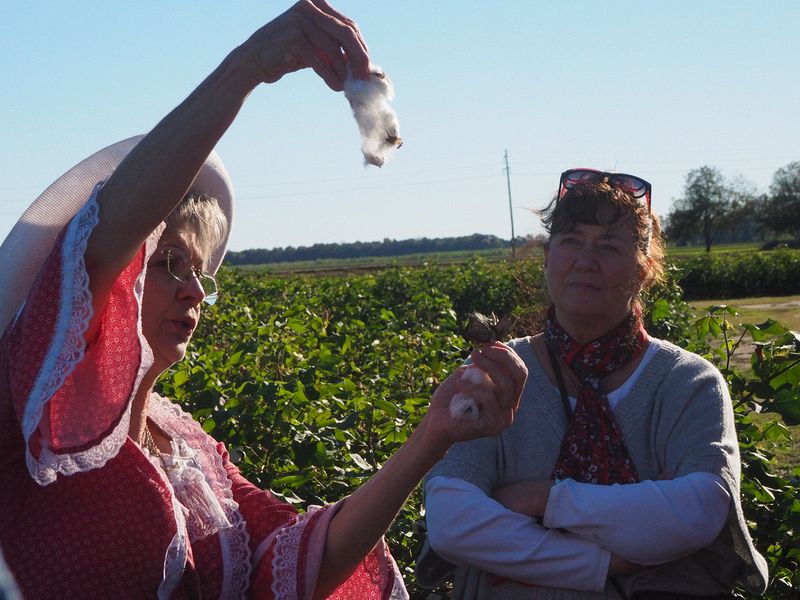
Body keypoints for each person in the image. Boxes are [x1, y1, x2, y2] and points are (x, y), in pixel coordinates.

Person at [0, 2, 528, 598]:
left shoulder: (190, 449)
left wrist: (430, 438)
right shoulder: (33, 401)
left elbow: (296, 561)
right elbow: (100, 244)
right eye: (167, 264)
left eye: (199, 271)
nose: (194, 288)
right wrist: (250, 66)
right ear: (114, 285)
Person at [420, 169, 769, 599]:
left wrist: (543, 500)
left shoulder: (687, 382)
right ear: (547, 258)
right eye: (571, 241)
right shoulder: (495, 373)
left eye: (609, 245)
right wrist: (607, 559)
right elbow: (452, 522)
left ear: (645, 269)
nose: (586, 259)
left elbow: (698, 510)